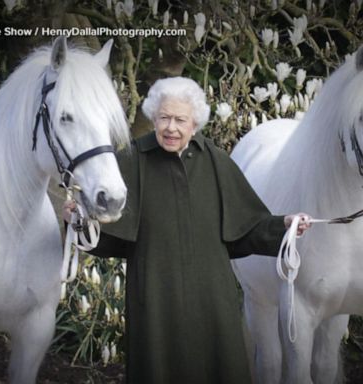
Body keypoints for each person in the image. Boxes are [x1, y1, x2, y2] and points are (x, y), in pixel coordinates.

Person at [63, 77, 311, 384]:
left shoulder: (216, 161)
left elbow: (248, 228)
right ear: (153, 118)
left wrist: (284, 226)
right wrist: (79, 220)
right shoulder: (131, 160)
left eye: (180, 120)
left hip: (212, 298)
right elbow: (107, 234)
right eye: (164, 118)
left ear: (194, 124)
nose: (171, 128)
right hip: (154, 296)